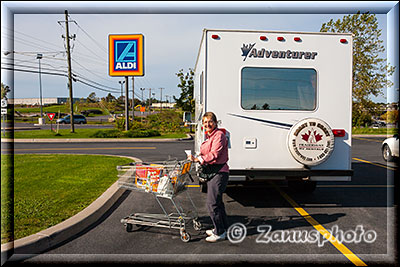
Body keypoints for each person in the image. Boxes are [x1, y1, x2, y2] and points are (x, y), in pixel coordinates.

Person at [187, 112, 229, 242]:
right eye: (205, 122)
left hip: (219, 173)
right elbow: (206, 152)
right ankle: (221, 228)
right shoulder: (210, 136)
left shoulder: (219, 136)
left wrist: (198, 159)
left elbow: (214, 154)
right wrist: (197, 155)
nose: (207, 124)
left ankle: (220, 233)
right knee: (218, 203)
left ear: (215, 123)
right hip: (213, 172)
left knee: (212, 204)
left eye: (210, 121)